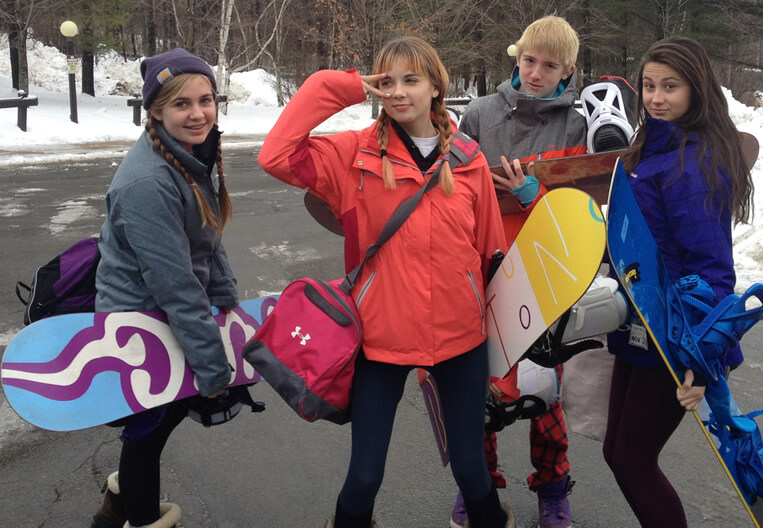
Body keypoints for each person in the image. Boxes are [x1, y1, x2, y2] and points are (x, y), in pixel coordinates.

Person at [257, 36, 512, 528]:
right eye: (387, 81)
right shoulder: (352, 156)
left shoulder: (469, 159)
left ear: (437, 86)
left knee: (472, 471)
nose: (397, 92)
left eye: (411, 79)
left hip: (461, 340)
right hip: (378, 341)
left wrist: (505, 349)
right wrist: (346, 87)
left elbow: (489, 255)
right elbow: (277, 154)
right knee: (365, 474)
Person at [601, 36, 755, 527]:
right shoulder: (652, 147)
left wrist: (697, 359)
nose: (656, 97)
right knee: (617, 452)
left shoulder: (692, 162)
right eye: (648, 85)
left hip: (674, 335)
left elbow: (712, 270)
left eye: (671, 86)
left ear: (697, 90)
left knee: (631, 459)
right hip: (640, 323)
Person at [90, 48, 241, 528]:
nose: (198, 114)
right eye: (181, 104)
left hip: (163, 314)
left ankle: (118, 503)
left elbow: (205, 239)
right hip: (140, 323)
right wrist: (214, 367)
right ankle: (132, 512)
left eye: (206, 99)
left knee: (155, 426)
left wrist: (228, 303)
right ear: (155, 111)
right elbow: (175, 283)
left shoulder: (187, 156)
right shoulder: (149, 181)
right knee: (150, 430)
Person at [456, 15, 586, 528]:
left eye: (549, 65)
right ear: (517, 56)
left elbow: (582, 211)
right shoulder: (481, 114)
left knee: (543, 389)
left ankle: (553, 490)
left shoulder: (576, 123)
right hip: (482, 267)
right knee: (477, 384)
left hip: (544, 272)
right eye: (529, 61)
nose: (536, 73)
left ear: (567, 69)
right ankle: (478, 487)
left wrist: (534, 195)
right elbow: (452, 189)